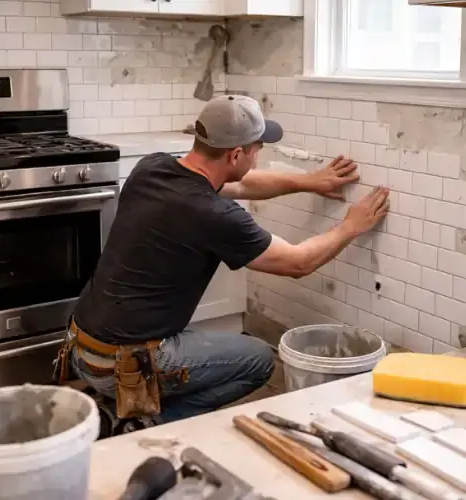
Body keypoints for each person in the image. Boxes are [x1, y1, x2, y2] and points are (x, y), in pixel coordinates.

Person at [64, 95, 389, 425]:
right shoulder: (214, 214)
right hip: (124, 363)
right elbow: (298, 262)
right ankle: (140, 422)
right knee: (259, 359)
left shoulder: (153, 167)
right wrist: (351, 226)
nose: (258, 155)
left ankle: (118, 402)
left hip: (81, 347)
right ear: (236, 154)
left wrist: (308, 181)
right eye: (256, 149)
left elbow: (242, 183)